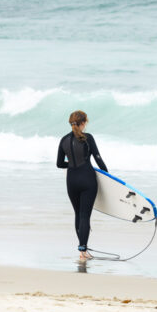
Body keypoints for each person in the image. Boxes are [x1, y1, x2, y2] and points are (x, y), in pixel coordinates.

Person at [57, 110, 108, 261]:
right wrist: (109, 177)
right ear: (83, 122)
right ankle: (83, 251)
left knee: (78, 215)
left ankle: (82, 250)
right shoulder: (88, 138)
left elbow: (59, 164)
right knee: (85, 216)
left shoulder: (64, 140)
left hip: (71, 181)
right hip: (87, 180)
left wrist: (72, 163)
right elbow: (99, 160)